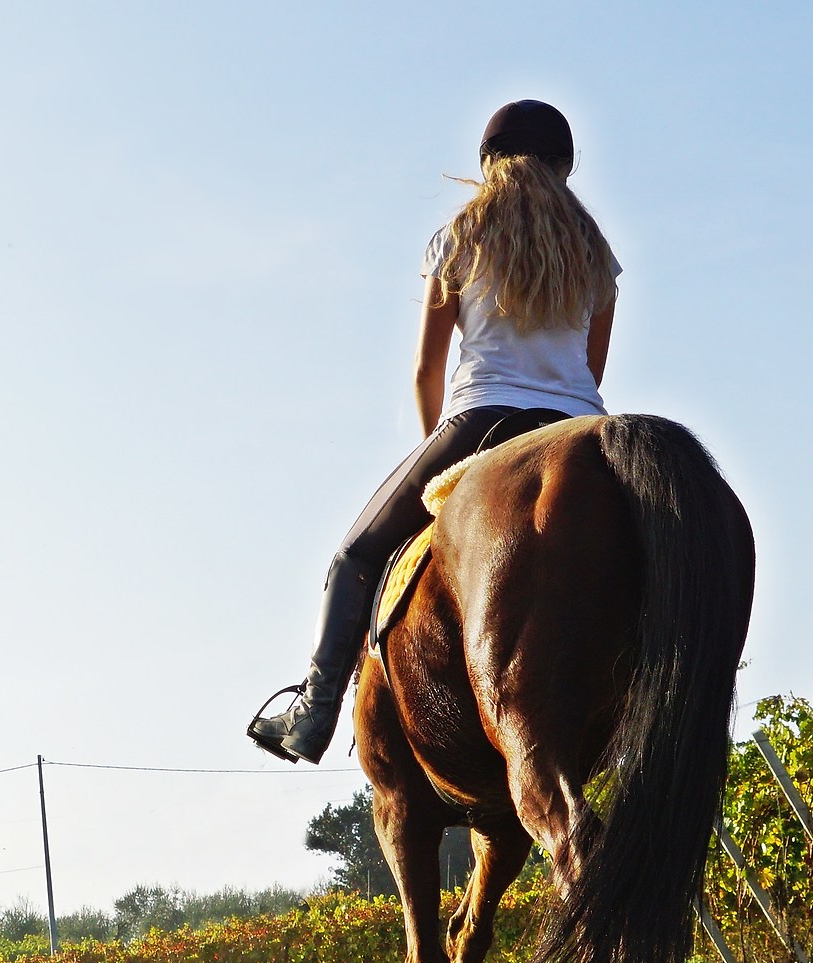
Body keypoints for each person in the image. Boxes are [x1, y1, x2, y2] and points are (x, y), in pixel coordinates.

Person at [247, 99, 622, 764]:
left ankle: (314, 710)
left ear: (489, 163)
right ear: (565, 168)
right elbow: (592, 369)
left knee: (355, 556)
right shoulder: (595, 254)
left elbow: (428, 368)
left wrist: (435, 463)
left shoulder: (461, 236)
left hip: (483, 419)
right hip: (581, 430)